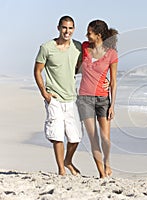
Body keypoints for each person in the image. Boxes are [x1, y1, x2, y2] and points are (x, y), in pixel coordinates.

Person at [34, 16, 82, 176]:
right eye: (64, 28)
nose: (67, 31)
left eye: (70, 28)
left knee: (75, 138)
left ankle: (68, 161)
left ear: (74, 29)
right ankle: (61, 170)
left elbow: (84, 68)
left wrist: (105, 80)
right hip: (54, 98)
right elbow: (37, 71)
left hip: (71, 98)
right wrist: (45, 93)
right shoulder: (47, 47)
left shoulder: (78, 47)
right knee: (57, 135)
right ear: (58, 28)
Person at [76, 19, 118, 178]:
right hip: (85, 99)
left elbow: (113, 81)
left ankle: (107, 162)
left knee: (105, 139)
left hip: (102, 99)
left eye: (89, 33)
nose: (86, 35)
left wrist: (112, 105)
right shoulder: (84, 47)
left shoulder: (111, 54)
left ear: (99, 35)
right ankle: (101, 173)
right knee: (93, 138)